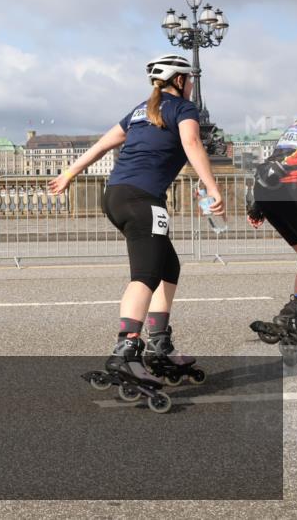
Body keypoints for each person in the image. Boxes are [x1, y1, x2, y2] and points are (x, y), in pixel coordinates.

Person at [48, 54, 224, 386]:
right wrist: (213, 188)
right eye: (189, 80)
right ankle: (126, 351)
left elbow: (102, 145)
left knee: (167, 266)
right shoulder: (183, 109)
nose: (191, 86)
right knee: (145, 275)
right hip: (144, 201)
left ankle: (158, 344)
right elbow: (192, 143)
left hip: (115, 195)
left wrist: (70, 173)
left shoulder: (141, 110)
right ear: (180, 81)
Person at [248, 117, 297, 346]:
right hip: (293, 186)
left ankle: (295, 315)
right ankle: (296, 316)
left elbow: (276, 159)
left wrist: (257, 206)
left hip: (266, 189)